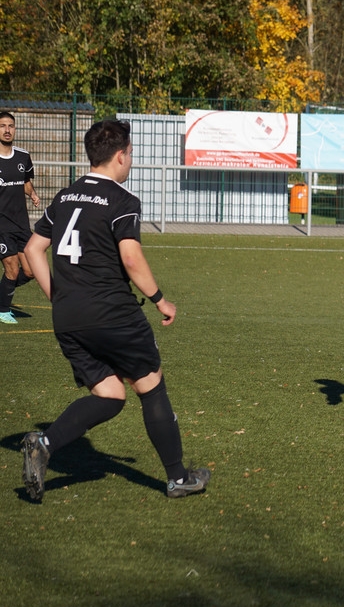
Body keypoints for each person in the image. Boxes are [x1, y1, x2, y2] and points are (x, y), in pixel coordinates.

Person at [21, 118, 210, 502]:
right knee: (150, 384)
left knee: (109, 394)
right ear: (120, 156)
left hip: (68, 317)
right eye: (131, 154)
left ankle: (44, 443)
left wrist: (57, 296)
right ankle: (178, 479)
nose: (131, 161)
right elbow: (131, 258)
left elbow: (32, 249)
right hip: (113, 314)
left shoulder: (65, 197)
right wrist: (160, 299)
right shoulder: (122, 200)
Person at [0, 111, 41, 324]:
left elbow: (25, 182)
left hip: (21, 224)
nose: (7, 130)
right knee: (12, 268)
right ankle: (3, 310)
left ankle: (2, 294)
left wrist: (32, 194)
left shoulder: (23, 157)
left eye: (11, 126)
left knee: (31, 271)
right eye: (2, 126)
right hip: (1, 225)